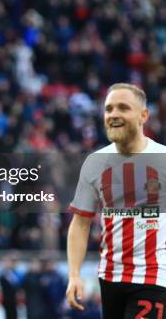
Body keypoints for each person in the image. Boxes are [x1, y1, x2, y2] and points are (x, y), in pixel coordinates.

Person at [67, 83, 166, 319]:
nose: (114, 115)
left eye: (123, 108)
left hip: (154, 275)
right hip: (110, 277)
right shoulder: (95, 163)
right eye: (109, 109)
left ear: (144, 115)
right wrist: (74, 275)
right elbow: (80, 224)